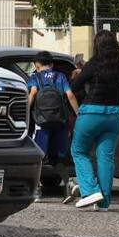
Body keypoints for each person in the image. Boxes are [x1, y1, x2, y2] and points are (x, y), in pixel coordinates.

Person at [69, 31, 119, 211]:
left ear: (97, 45)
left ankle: (90, 190)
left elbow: (74, 87)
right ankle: (104, 202)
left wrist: (80, 72)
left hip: (91, 113)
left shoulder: (94, 63)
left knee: (79, 151)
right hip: (113, 116)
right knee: (106, 158)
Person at [27, 51, 78, 199]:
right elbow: (70, 95)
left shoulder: (35, 77)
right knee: (57, 158)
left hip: (42, 123)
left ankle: (37, 190)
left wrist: (24, 113)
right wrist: (78, 114)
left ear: (37, 66)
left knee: (39, 157)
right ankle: (69, 184)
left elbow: (33, 93)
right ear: (52, 64)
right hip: (60, 122)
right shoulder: (60, 76)